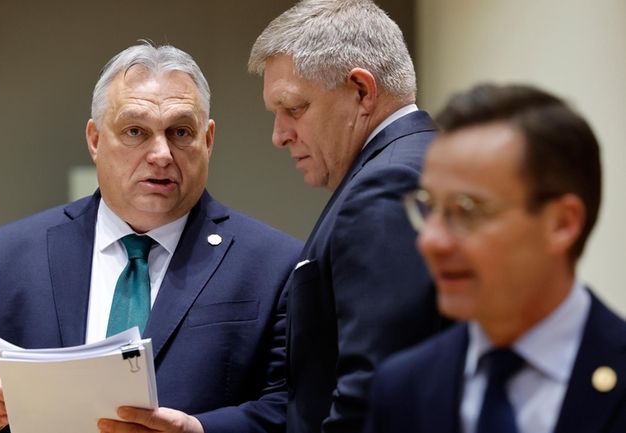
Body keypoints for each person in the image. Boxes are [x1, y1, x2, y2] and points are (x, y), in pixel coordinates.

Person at [0, 43, 302, 433]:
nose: (161, 153)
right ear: (95, 140)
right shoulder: (7, 256)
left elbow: (294, 406)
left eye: (181, 132)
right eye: (135, 131)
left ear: (209, 140)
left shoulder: (272, 264)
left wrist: (200, 432)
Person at [368, 83, 626, 433]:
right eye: (429, 208)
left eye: (467, 210)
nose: (431, 241)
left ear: (561, 224)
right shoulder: (402, 387)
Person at [247, 1, 446, 432]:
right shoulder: (427, 160)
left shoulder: (387, 184)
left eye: (294, 108)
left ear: (361, 90)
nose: (279, 135)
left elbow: (375, 392)